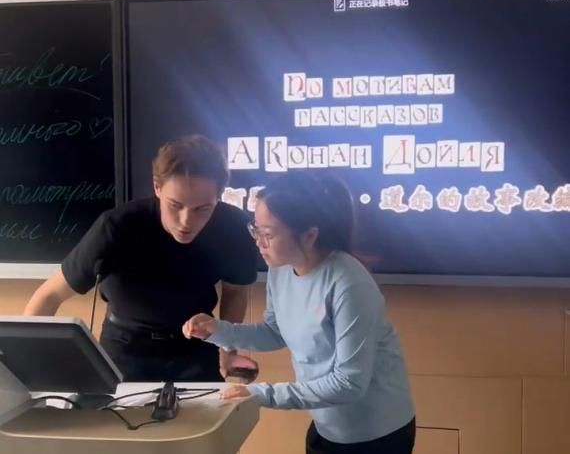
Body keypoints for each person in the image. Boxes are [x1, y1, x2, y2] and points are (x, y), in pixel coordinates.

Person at [183, 171, 415, 454]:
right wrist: (217, 331)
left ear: (309, 236)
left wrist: (259, 394)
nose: (258, 242)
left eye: (268, 234)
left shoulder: (348, 282)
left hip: (376, 433)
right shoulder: (281, 268)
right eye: (255, 229)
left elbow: (349, 383)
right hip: (327, 425)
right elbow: (274, 332)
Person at [24, 135, 259, 382]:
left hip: (197, 346)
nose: (186, 222)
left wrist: (228, 349)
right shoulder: (116, 227)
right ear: (157, 187)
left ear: (219, 195)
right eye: (175, 205)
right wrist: (27, 363)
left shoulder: (234, 226)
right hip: (124, 349)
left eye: (202, 209)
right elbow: (49, 295)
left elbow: (235, 291)